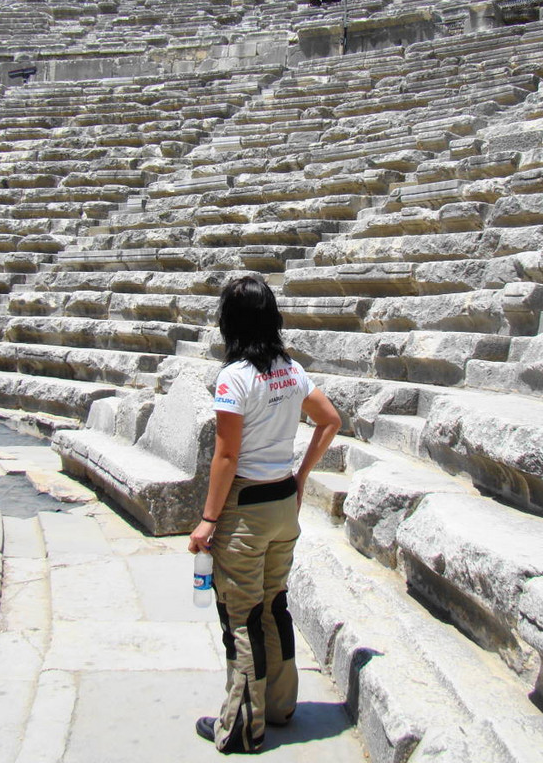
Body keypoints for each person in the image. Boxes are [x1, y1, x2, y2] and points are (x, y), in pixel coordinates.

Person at [189, 275, 341, 755]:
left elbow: (227, 457)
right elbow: (330, 420)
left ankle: (240, 727)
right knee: (274, 606)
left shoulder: (234, 377)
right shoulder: (291, 370)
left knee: (242, 615)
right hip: (282, 506)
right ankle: (280, 707)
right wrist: (299, 479)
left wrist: (209, 520)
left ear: (229, 323)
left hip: (246, 511)